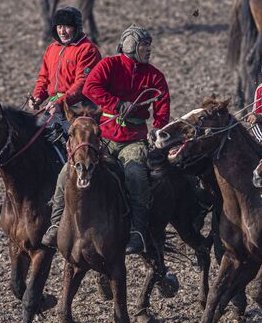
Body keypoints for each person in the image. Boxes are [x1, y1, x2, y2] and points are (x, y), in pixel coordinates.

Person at [41, 24, 170, 259]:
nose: (149, 50)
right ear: (131, 47)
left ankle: (138, 231)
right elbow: (91, 87)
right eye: (144, 46)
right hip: (105, 137)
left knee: (136, 175)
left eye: (149, 46)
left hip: (134, 140)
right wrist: (117, 105)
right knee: (66, 171)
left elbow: (162, 108)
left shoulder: (155, 76)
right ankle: (55, 223)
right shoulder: (109, 65)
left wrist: (158, 128)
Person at [30, 6, 102, 156]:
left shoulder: (88, 50)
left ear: (77, 27)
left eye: (67, 27)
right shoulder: (52, 49)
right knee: (33, 137)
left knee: (75, 143)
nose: (62, 31)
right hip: (55, 104)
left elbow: (82, 84)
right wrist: (37, 96)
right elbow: (44, 77)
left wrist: (60, 102)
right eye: (59, 26)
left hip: (79, 107)